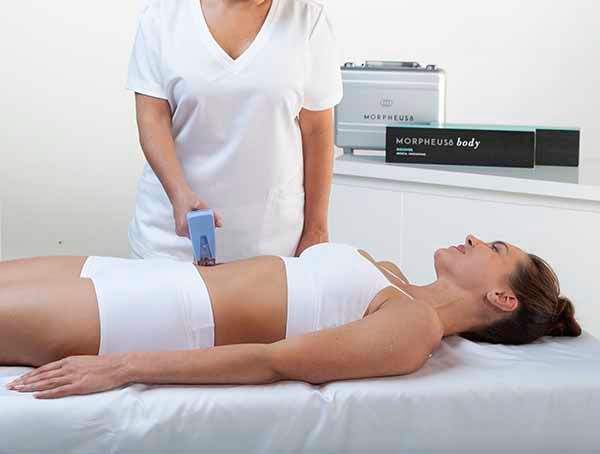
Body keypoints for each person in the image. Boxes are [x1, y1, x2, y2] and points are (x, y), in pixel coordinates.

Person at [4, 234, 581, 399]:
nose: (476, 239)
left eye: (496, 250)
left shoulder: (412, 325)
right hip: (138, 273)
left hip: (147, 313)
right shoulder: (385, 269)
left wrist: (122, 368)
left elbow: (273, 363)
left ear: (504, 299)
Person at [126, 0, 342, 263]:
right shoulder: (163, 15)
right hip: (172, 239)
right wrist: (179, 194)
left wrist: (317, 230)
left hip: (271, 246)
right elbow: (152, 118)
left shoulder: (307, 22)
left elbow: (318, 131)